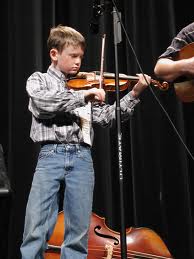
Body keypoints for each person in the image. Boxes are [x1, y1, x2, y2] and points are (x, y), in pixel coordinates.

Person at [20, 24, 151, 259]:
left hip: (82, 157)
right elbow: (43, 105)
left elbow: (107, 117)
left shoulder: (87, 84)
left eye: (81, 56)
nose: (78, 62)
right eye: (73, 56)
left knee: (78, 232)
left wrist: (135, 93)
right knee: (36, 227)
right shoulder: (38, 80)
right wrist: (83, 95)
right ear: (54, 54)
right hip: (51, 154)